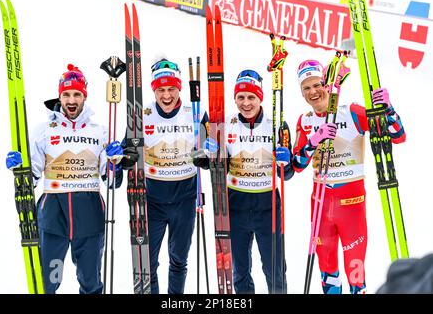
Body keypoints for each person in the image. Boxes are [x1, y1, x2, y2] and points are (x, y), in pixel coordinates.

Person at [5, 64, 123, 294]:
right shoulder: (44, 131)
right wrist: (20, 168)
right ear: (60, 96)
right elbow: (34, 176)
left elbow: (110, 181)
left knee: (90, 283)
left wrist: (114, 164)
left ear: (84, 97)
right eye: (66, 94)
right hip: (53, 218)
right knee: (49, 282)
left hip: (89, 215)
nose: (71, 99)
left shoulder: (99, 132)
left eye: (77, 94)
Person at [292, 59, 406, 294]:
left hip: (351, 204)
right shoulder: (304, 122)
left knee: (356, 272)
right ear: (302, 92)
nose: (313, 92)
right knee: (327, 271)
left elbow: (397, 135)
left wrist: (389, 109)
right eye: (306, 88)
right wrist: (313, 141)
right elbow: (296, 165)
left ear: (327, 84)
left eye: (317, 84)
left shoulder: (351, 112)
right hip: (320, 205)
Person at [194, 69, 294, 294]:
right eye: (241, 97)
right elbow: (205, 163)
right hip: (235, 205)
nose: (246, 103)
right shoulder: (224, 124)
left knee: (275, 269)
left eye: (251, 97)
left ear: (260, 98)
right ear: (234, 98)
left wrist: (286, 162)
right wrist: (207, 152)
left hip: (268, 206)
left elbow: (287, 175)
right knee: (240, 271)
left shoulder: (277, 125)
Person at [123, 58, 206, 294]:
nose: (166, 95)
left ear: (179, 88)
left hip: (185, 200)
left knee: (179, 260)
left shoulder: (196, 114)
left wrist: (207, 156)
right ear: (154, 90)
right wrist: (124, 158)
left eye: (171, 88)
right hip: (153, 202)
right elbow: (125, 150)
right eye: (161, 89)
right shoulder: (141, 115)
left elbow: (213, 153)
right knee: (148, 263)